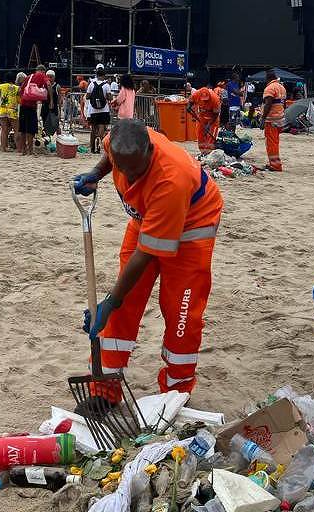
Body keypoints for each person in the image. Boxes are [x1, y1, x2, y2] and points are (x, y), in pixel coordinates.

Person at [71, 119, 223, 409]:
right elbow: (109, 157)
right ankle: (104, 390)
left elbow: (145, 254)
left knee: (181, 312)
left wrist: (110, 301)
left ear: (150, 151)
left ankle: (176, 392)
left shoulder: (171, 179)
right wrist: (96, 172)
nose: (129, 177)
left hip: (193, 225)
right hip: (146, 218)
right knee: (123, 302)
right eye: (122, 168)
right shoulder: (120, 142)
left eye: (136, 170)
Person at [18, 65, 49, 156]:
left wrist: (23, 98)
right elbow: (49, 84)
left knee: (23, 129)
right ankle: (30, 150)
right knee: (31, 129)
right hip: (31, 106)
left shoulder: (29, 77)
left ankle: (23, 150)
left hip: (23, 105)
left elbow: (20, 90)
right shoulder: (42, 75)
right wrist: (48, 97)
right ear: (43, 71)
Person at [260, 69, 287, 171]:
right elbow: (283, 104)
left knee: (271, 143)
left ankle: (275, 165)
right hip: (280, 119)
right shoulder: (282, 87)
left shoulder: (270, 88)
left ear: (268, 78)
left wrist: (263, 118)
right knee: (275, 142)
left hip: (271, 119)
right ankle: (274, 163)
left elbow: (268, 104)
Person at [188, 83, 221, 155]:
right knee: (199, 132)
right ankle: (202, 151)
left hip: (213, 117)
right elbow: (190, 102)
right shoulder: (196, 94)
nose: (205, 101)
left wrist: (209, 125)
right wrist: (189, 107)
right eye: (204, 100)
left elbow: (216, 114)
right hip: (202, 116)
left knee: (211, 135)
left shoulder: (215, 99)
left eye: (206, 100)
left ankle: (209, 152)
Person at [0, 72, 24, 152]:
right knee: (16, 130)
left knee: (4, 130)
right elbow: (20, 99)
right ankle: (19, 148)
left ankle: (3, 147)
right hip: (13, 110)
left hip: (2, 109)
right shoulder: (17, 88)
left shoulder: (1, 86)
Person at [86, 67, 112, 154]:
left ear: (96, 75)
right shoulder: (106, 85)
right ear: (104, 75)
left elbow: (87, 96)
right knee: (101, 127)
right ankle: (99, 143)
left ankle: (92, 147)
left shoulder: (91, 84)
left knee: (94, 128)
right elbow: (109, 98)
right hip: (104, 110)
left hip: (93, 110)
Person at [42, 69, 62, 137]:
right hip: (45, 108)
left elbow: (59, 100)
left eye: (51, 77)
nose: (49, 78)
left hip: (54, 109)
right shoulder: (44, 85)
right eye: (48, 77)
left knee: (56, 125)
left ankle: (59, 139)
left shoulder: (57, 87)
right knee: (45, 125)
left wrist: (59, 111)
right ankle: (47, 140)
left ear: (54, 77)